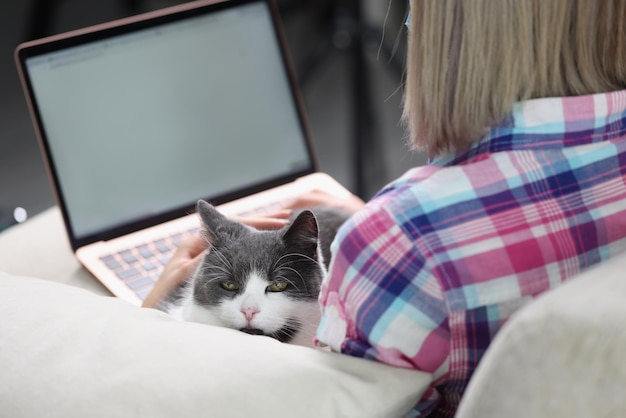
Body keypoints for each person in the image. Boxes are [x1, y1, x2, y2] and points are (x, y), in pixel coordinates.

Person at [145, 0, 626, 416]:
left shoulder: (400, 244)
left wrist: (144, 323)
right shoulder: (400, 238)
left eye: (416, 16)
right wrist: (377, 221)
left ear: (452, 39)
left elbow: (306, 404)